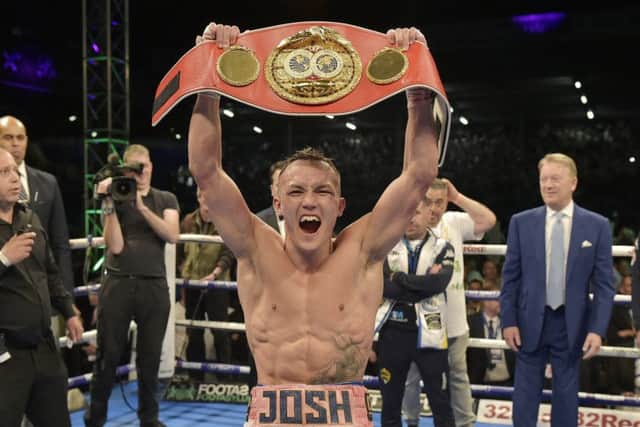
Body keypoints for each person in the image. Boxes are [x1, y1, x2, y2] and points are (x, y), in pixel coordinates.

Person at [188, 22, 439, 425]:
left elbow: (419, 174)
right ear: (278, 204)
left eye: (322, 192)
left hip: (346, 412)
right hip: (272, 411)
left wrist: (418, 92)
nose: (309, 200)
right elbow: (207, 172)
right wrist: (207, 79)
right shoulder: (255, 247)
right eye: (296, 191)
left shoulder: (363, 250)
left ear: (339, 206)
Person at [500, 153, 615, 427]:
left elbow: (604, 284)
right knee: (524, 399)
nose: (548, 185)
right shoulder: (521, 222)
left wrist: (597, 329)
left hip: (571, 325)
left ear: (573, 183)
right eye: (543, 179)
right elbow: (510, 278)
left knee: (566, 399)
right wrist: (509, 321)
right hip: (528, 323)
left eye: (555, 179)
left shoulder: (597, 225)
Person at [84, 144, 180, 427]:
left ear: (151, 166)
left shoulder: (165, 198)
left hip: (153, 287)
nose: (141, 173)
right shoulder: (117, 198)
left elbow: (172, 235)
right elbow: (115, 245)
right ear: (125, 169)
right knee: (107, 356)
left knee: (150, 361)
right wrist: (110, 205)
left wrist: (141, 206)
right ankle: (95, 419)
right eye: (135, 168)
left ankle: (149, 420)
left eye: (145, 166)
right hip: (118, 284)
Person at [0, 147, 84, 426]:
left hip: (44, 346)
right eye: (4, 172)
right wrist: (3, 258)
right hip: (5, 354)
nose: (15, 178)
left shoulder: (29, 218)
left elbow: (49, 270)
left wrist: (68, 310)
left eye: (14, 170)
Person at [403, 177, 496, 427]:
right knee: (411, 376)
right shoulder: (408, 221)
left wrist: (457, 198)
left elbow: (488, 220)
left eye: (440, 202)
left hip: (453, 322)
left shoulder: (453, 221)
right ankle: (410, 421)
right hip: (416, 319)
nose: (434, 208)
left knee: (457, 375)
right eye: (429, 202)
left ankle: (465, 423)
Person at [374, 199, 456, 427]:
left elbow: (438, 283)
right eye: (406, 211)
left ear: (430, 213)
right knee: (390, 405)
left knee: (440, 402)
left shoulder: (443, 247)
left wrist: (399, 278)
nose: (410, 218)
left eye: (417, 212)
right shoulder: (385, 246)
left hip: (431, 333)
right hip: (393, 331)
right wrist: (422, 284)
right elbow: (381, 286)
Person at [179, 188, 235, 379]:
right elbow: (179, 251)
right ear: (198, 197)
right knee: (194, 330)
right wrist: (182, 275)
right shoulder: (187, 221)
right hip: (193, 284)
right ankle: (195, 378)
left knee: (220, 332)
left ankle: (224, 378)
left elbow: (229, 253)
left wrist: (215, 274)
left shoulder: (225, 222)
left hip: (216, 286)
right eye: (204, 196)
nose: (207, 200)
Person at [466, 281, 515, 387]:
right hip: (479, 381)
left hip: (508, 382)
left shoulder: (509, 322)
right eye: (498, 299)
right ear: (486, 301)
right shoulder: (471, 322)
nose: (501, 302)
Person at [256, 159, 286, 236]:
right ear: (272, 190)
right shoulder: (258, 222)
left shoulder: (307, 219)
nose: (284, 190)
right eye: (279, 185)